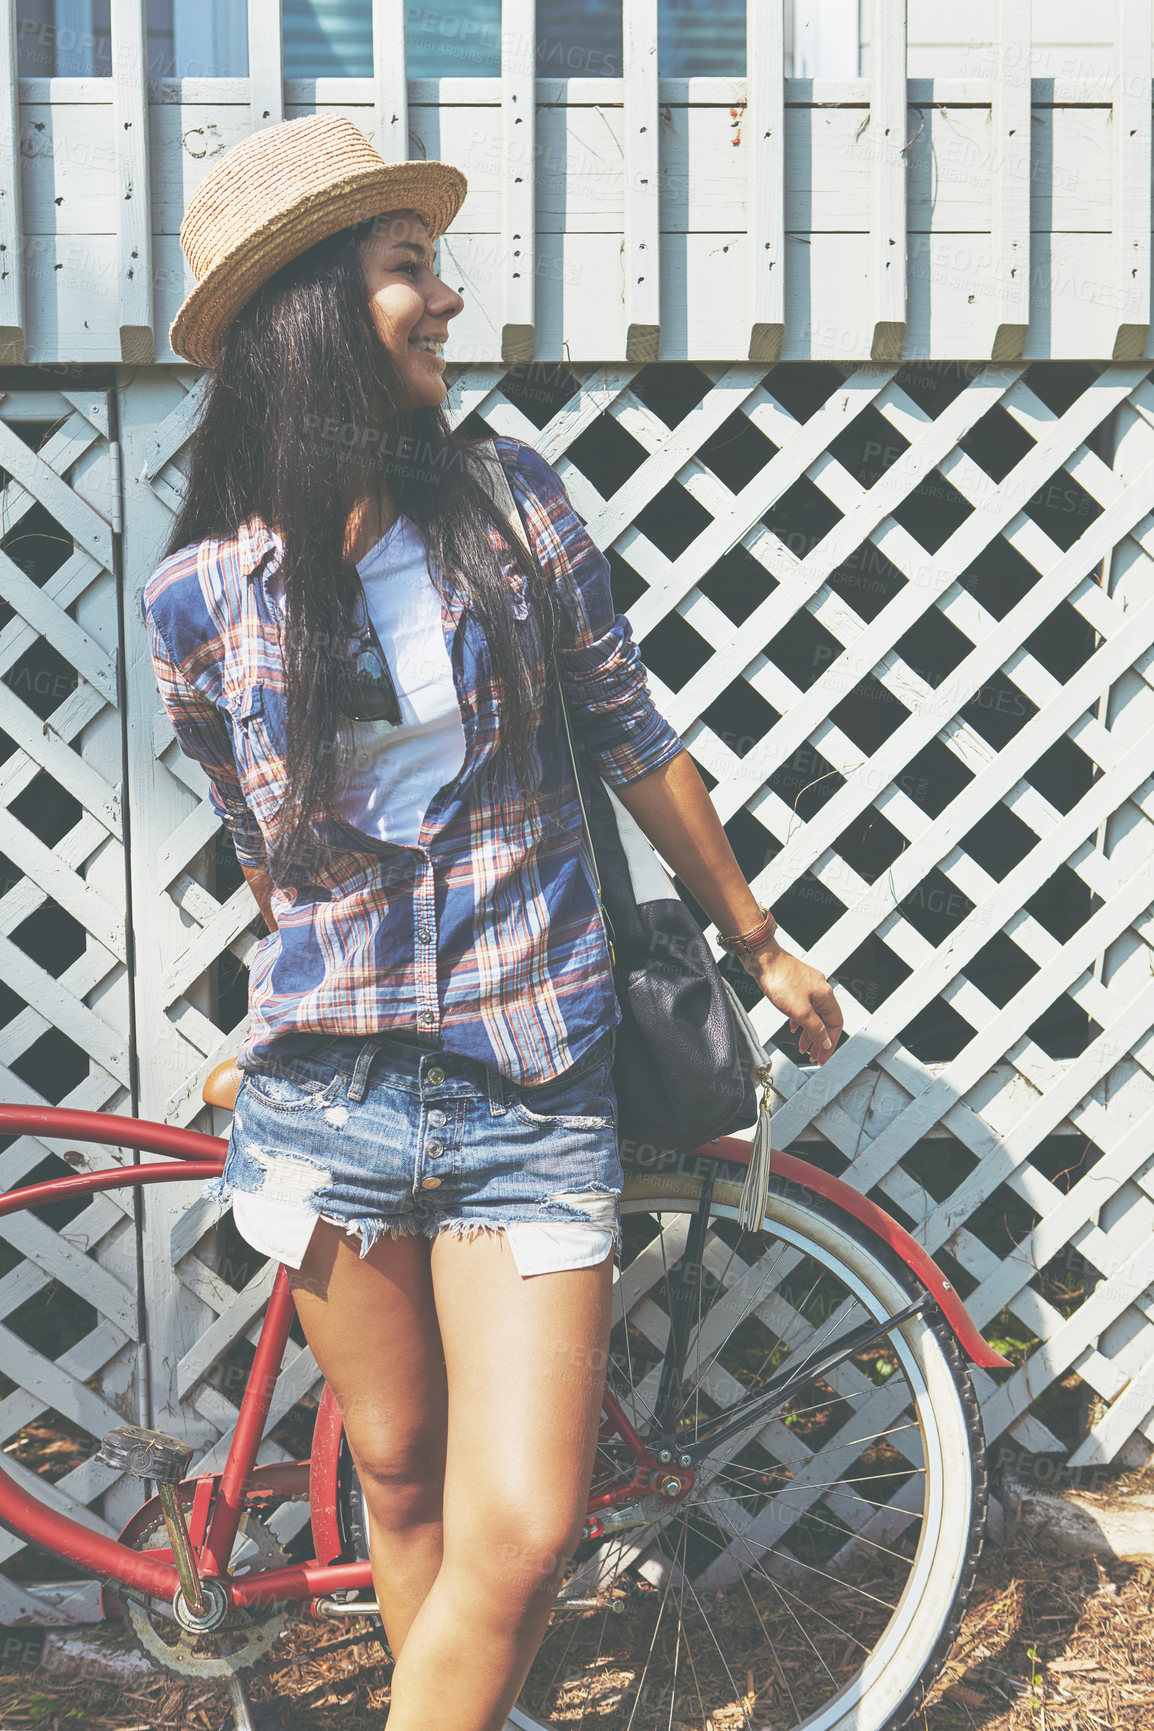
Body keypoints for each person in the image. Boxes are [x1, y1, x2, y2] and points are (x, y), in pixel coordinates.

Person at [143, 113, 843, 1731]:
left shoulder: (508, 505)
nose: (449, 298)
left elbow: (630, 727)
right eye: (409, 270)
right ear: (315, 309)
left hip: (529, 1089)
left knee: (519, 1536)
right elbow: (266, 848)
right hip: (327, 1105)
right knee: (397, 1485)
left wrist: (754, 935)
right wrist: (285, 1019)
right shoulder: (206, 590)